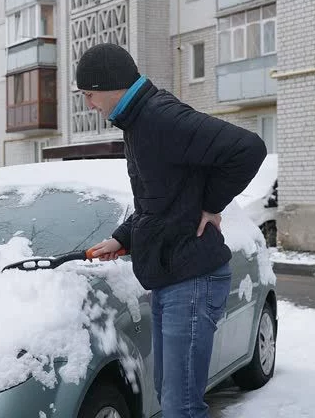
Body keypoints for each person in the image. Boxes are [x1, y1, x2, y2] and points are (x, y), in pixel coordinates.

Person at [81, 43, 267, 418]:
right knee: (171, 398)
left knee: (181, 406)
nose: (89, 104)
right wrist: (123, 237)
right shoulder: (138, 123)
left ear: (110, 85)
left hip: (193, 279)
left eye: (89, 94)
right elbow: (159, 202)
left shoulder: (159, 117)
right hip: (172, 277)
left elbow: (248, 148)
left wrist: (212, 205)